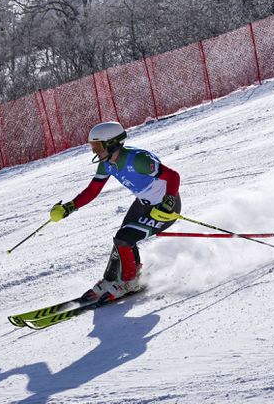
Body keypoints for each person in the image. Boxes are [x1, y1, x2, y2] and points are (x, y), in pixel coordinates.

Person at [49, 121, 181, 303]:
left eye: (98, 146)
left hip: (165, 207)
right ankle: (110, 279)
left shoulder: (138, 160)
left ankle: (130, 281)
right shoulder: (106, 164)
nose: (95, 151)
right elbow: (93, 190)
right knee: (121, 241)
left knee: (124, 237)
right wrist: (70, 207)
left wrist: (169, 200)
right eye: (93, 147)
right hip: (143, 203)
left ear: (112, 143)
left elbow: (173, 176)